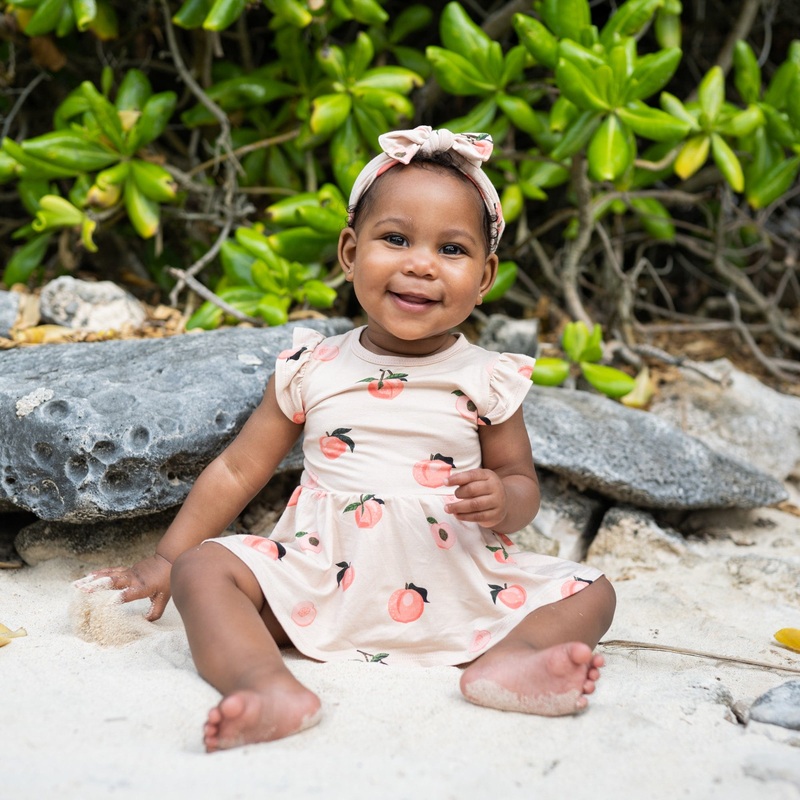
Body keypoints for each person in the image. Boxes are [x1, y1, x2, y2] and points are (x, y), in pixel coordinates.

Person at [78, 125, 616, 752]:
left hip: (455, 583)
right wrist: (170, 558)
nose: (420, 263)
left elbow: (523, 486)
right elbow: (236, 470)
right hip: (319, 578)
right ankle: (264, 684)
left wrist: (503, 496)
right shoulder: (313, 367)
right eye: (395, 239)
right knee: (204, 571)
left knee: (594, 593)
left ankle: (510, 660)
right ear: (349, 252)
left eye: (451, 249)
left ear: (486, 276)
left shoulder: (487, 378)